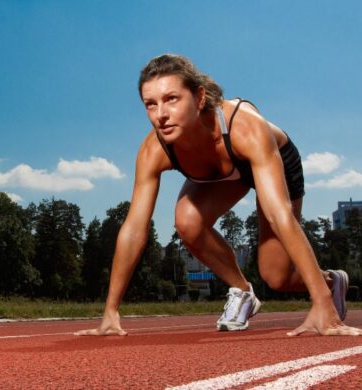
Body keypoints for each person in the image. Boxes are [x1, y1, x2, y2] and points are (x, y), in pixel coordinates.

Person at [76, 54, 361, 337]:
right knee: (187, 222)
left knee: (276, 276)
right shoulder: (154, 149)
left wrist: (321, 303)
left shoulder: (246, 128)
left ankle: (330, 283)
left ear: (199, 98)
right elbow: (134, 228)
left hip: (269, 159)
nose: (160, 114)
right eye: (151, 104)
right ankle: (242, 291)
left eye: (172, 99)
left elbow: (279, 215)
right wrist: (110, 311)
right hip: (223, 173)